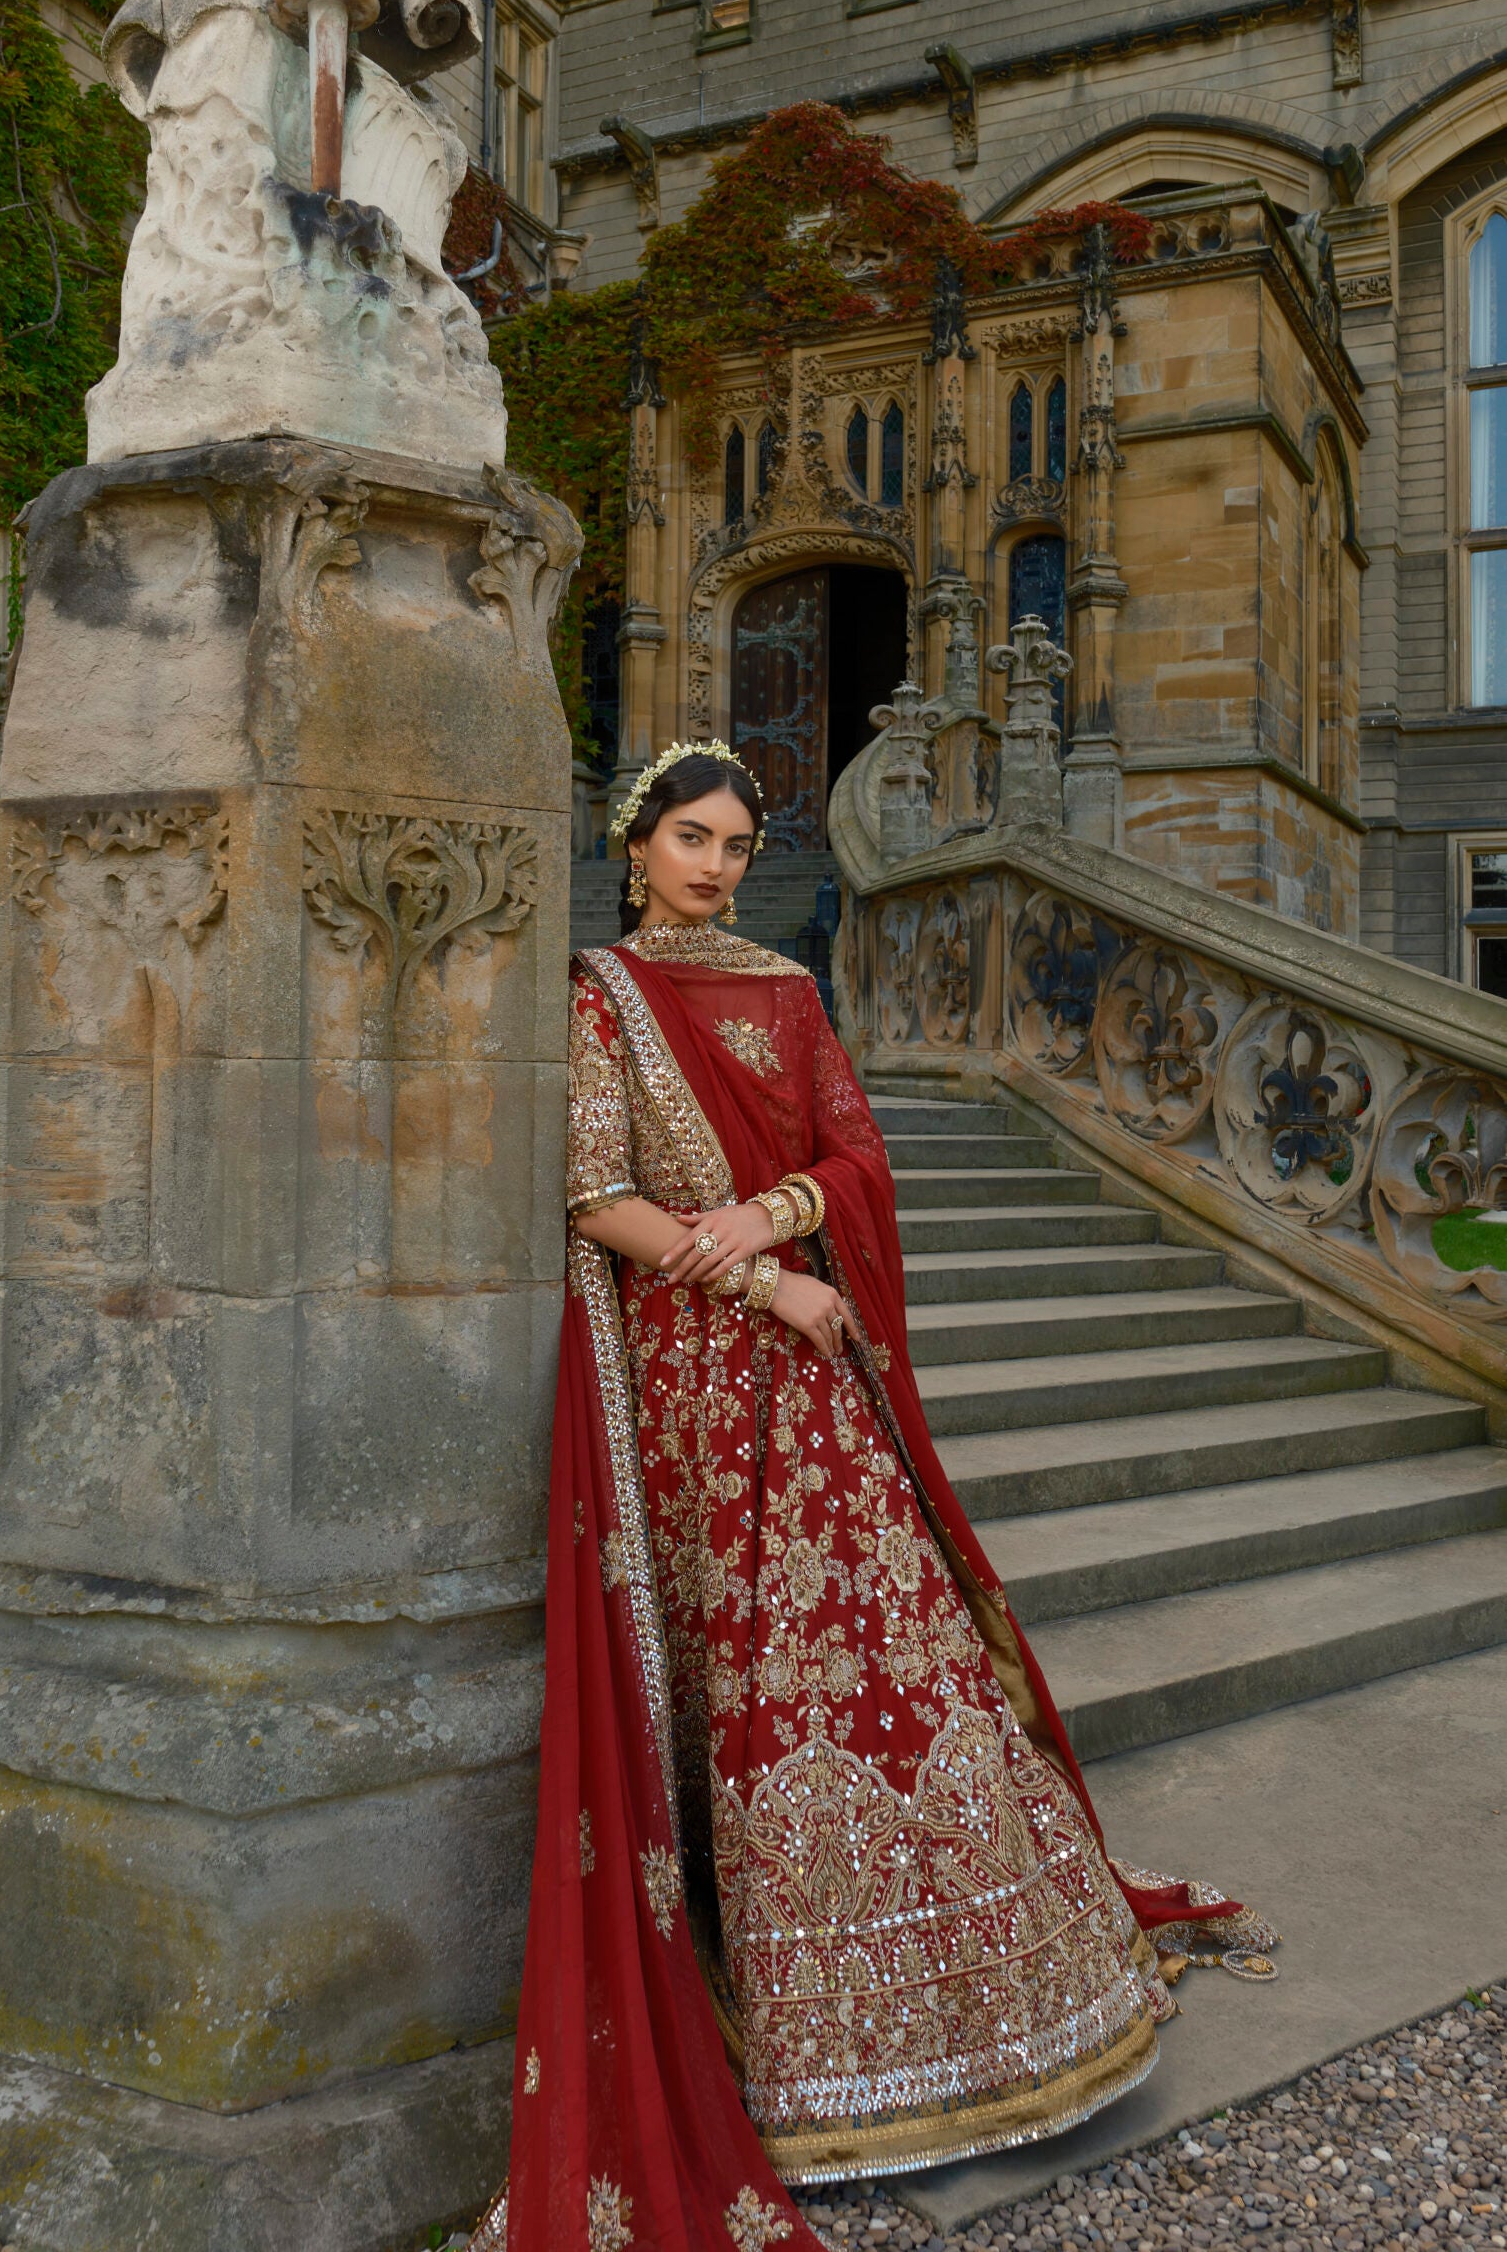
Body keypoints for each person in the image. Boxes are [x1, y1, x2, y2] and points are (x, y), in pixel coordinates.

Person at [473, 742, 1275, 2252]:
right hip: (691, 1389)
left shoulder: (784, 993)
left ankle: (984, 2015)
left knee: (886, 1668)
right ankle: (799, 2046)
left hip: (806, 1379)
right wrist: (760, 1275)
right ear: (632, 842)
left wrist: (778, 1216)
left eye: (736, 840)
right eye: (688, 837)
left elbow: (855, 1150)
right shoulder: (598, 997)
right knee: (752, 1693)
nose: (713, 863)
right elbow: (589, 1194)